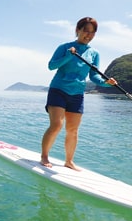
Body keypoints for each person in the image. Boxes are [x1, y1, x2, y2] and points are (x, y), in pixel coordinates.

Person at [40, 17, 117, 171]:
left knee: (73, 130)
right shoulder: (65, 47)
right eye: (85, 31)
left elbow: (93, 76)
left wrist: (105, 83)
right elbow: (51, 66)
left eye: (92, 32)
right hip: (59, 89)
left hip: (77, 94)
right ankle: (44, 156)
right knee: (56, 125)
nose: (88, 35)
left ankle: (69, 161)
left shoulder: (94, 53)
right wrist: (69, 55)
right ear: (78, 30)